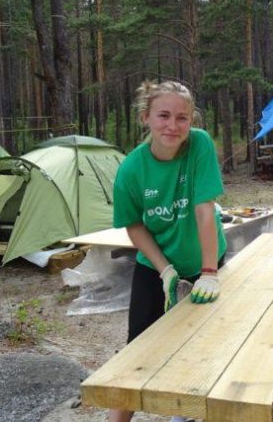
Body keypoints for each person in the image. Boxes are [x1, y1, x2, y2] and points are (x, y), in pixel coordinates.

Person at [110, 80, 227, 422]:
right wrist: (165, 270)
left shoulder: (200, 145)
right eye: (163, 116)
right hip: (156, 267)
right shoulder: (131, 169)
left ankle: (187, 413)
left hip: (208, 263)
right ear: (145, 118)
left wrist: (209, 272)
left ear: (192, 121)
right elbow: (134, 226)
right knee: (138, 350)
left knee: (207, 344)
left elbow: (204, 209)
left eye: (182, 118)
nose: (173, 126)